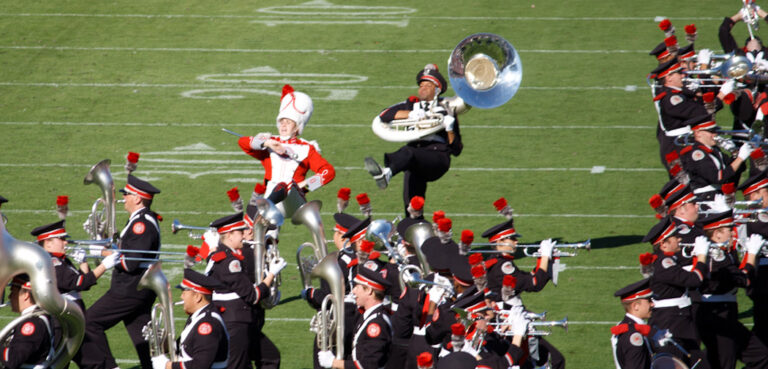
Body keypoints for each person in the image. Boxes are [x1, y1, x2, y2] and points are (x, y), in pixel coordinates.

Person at [80, 174, 162, 369]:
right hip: (137, 289)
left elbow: (130, 262)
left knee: (89, 322)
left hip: (130, 289)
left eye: (127, 194)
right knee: (143, 341)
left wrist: (100, 251)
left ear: (137, 199)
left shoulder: (142, 224)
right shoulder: (139, 220)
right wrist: (101, 239)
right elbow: (125, 250)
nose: (123, 197)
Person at [364, 64, 463, 214]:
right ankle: (413, 230)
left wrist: (449, 128)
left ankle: (387, 173)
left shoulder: (446, 109)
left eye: (428, 85)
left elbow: (456, 149)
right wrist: (409, 115)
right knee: (411, 207)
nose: (422, 88)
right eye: (421, 85)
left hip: (437, 157)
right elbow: (384, 115)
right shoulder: (411, 105)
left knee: (408, 151)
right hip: (415, 160)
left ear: (437, 90)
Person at [204, 213, 286, 369]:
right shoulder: (231, 262)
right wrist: (271, 274)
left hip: (236, 320)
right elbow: (253, 295)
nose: (244, 235)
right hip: (235, 323)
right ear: (229, 236)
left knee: (270, 355)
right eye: (240, 232)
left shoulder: (219, 255)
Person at [694, 209, 768, 369]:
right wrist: (752, 254)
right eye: (729, 229)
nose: (733, 233)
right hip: (716, 316)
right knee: (724, 363)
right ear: (717, 234)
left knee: (761, 354)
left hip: (726, 315)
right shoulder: (715, 255)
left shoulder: (723, 252)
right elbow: (744, 280)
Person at [238, 84, 335, 197]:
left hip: (294, 197)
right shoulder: (269, 143)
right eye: (281, 122)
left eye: (288, 122)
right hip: (270, 197)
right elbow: (243, 142)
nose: (283, 125)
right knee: (254, 212)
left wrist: (305, 185)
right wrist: (268, 143)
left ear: (297, 127)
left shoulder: (307, 148)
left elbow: (328, 172)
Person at [642, 216, 711, 369]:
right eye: (674, 237)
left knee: (698, 363)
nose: (679, 239)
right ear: (663, 244)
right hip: (672, 322)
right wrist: (701, 257)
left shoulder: (668, 260)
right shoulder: (664, 263)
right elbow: (695, 280)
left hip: (677, 319)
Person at [317, 266, 393, 369]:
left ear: (369, 290)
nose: (353, 291)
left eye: (357, 287)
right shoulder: (367, 315)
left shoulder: (377, 324)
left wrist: (334, 363)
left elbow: (368, 365)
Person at [151, 269, 229, 369]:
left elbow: (200, 365)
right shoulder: (196, 317)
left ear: (197, 297)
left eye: (184, 292)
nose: (181, 296)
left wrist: (168, 366)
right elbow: (186, 347)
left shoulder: (208, 324)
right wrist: (162, 344)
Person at [679, 115, 752, 199]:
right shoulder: (697, 154)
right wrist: (740, 158)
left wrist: (735, 153)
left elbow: (735, 171)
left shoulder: (715, 150)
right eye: (711, 131)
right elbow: (717, 178)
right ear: (698, 133)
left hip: (718, 196)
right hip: (706, 198)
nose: (715, 135)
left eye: (716, 131)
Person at [0, 274, 54, 369]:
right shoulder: (37, 316)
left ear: (26, 295)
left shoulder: (32, 324)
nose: (9, 296)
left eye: (13, 292)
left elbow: (12, 360)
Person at [610, 279, 657, 369]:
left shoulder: (625, 325)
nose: (652, 304)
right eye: (649, 301)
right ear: (635, 306)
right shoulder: (634, 336)